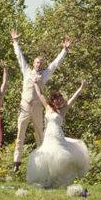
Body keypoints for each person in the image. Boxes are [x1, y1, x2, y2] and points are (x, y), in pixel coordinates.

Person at [11, 30, 72, 173]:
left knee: (40, 135)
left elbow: (55, 64)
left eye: (41, 63)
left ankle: (42, 163)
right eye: (37, 62)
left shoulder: (44, 75)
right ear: (33, 63)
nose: (39, 64)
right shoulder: (27, 72)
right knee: (20, 134)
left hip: (38, 109)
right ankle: (16, 161)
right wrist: (15, 42)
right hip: (25, 107)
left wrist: (64, 50)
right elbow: (20, 57)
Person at [26, 80, 90, 188]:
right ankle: (48, 181)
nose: (60, 101)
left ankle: (58, 182)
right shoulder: (48, 107)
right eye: (58, 99)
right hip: (48, 137)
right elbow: (40, 94)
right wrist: (36, 84)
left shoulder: (63, 110)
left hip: (58, 137)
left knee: (60, 158)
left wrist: (81, 88)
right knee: (48, 157)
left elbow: (73, 99)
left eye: (61, 99)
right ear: (53, 101)